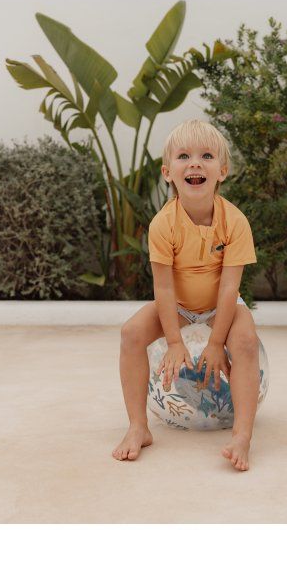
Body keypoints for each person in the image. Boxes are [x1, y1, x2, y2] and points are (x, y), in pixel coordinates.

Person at [112, 119, 261, 471]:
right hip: (177, 306)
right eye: (184, 157)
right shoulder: (163, 224)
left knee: (246, 342)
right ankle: (138, 427)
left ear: (222, 171)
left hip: (222, 306)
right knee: (131, 333)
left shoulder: (235, 221)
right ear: (168, 173)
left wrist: (216, 342)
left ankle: (242, 435)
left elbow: (229, 287)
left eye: (206, 156)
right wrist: (175, 342)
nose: (195, 163)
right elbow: (163, 287)